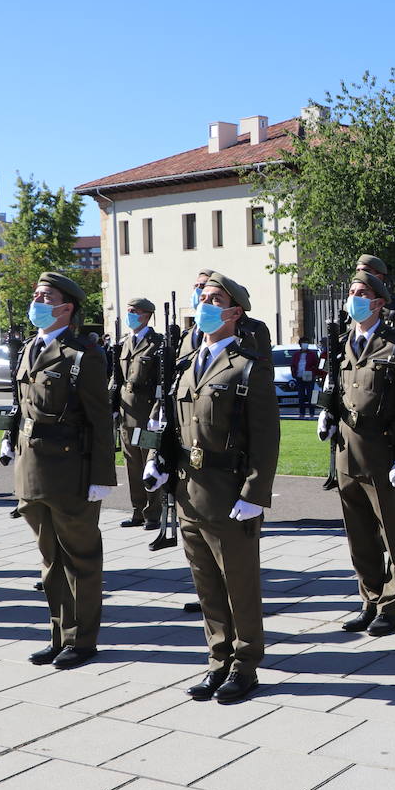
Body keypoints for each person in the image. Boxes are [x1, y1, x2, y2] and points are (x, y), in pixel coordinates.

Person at [146, 273, 280, 704]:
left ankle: (245, 665)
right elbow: (168, 425)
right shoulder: (185, 363)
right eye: (202, 297)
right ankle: (217, 660)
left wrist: (255, 494)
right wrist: (156, 460)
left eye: (214, 299)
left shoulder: (247, 365)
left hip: (229, 490)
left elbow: (266, 437)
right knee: (205, 583)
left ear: (234, 312)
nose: (204, 304)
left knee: (239, 583)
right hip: (189, 490)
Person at [3, 272, 117, 670]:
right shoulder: (30, 348)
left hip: (71, 471)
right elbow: (23, 408)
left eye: (44, 296)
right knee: (50, 560)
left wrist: (103, 477)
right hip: (32, 472)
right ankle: (58, 635)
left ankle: (82, 641)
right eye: (36, 294)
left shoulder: (82, 356)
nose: (36, 300)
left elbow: (102, 421)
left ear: (66, 308)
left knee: (80, 559)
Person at [318, 270, 395, 636]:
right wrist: (327, 414)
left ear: (379, 302)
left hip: (382, 451)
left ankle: (392, 605)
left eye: (362, 293)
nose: (354, 298)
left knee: (394, 532)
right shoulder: (345, 341)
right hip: (347, 451)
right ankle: (370, 597)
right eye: (351, 292)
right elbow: (338, 390)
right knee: (359, 533)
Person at [111, 299, 163, 532]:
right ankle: (137, 510)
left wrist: (157, 413)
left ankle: (153, 514)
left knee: (148, 463)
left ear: (147, 315)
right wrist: (110, 405)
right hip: (126, 414)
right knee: (131, 465)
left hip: (146, 414)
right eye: (128, 311)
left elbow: (162, 382)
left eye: (134, 312)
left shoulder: (157, 343)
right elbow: (117, 378)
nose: (130, 315)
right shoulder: (124, 343)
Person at [180, 269, 273, 359]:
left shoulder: (253, 329)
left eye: (202, 286)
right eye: (195, 286)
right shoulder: (186, 334)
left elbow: (261, 366)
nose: (198, 290)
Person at [353, 255, 395, 337]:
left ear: (379, 277)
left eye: (365, 271)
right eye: (357, 271)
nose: (360, 275)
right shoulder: (354, 304)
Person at [290, 339, 319, 417]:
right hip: (299, 377)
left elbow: (316, 364)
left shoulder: (312, 354)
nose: (305, 344)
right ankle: (302, 413)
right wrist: (294, 373)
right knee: (301, 396)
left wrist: (313, 372)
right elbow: (293, 365)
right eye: (303, 343)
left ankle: (311, 413)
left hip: (309, 376)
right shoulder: (296, 354)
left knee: (310, 395)